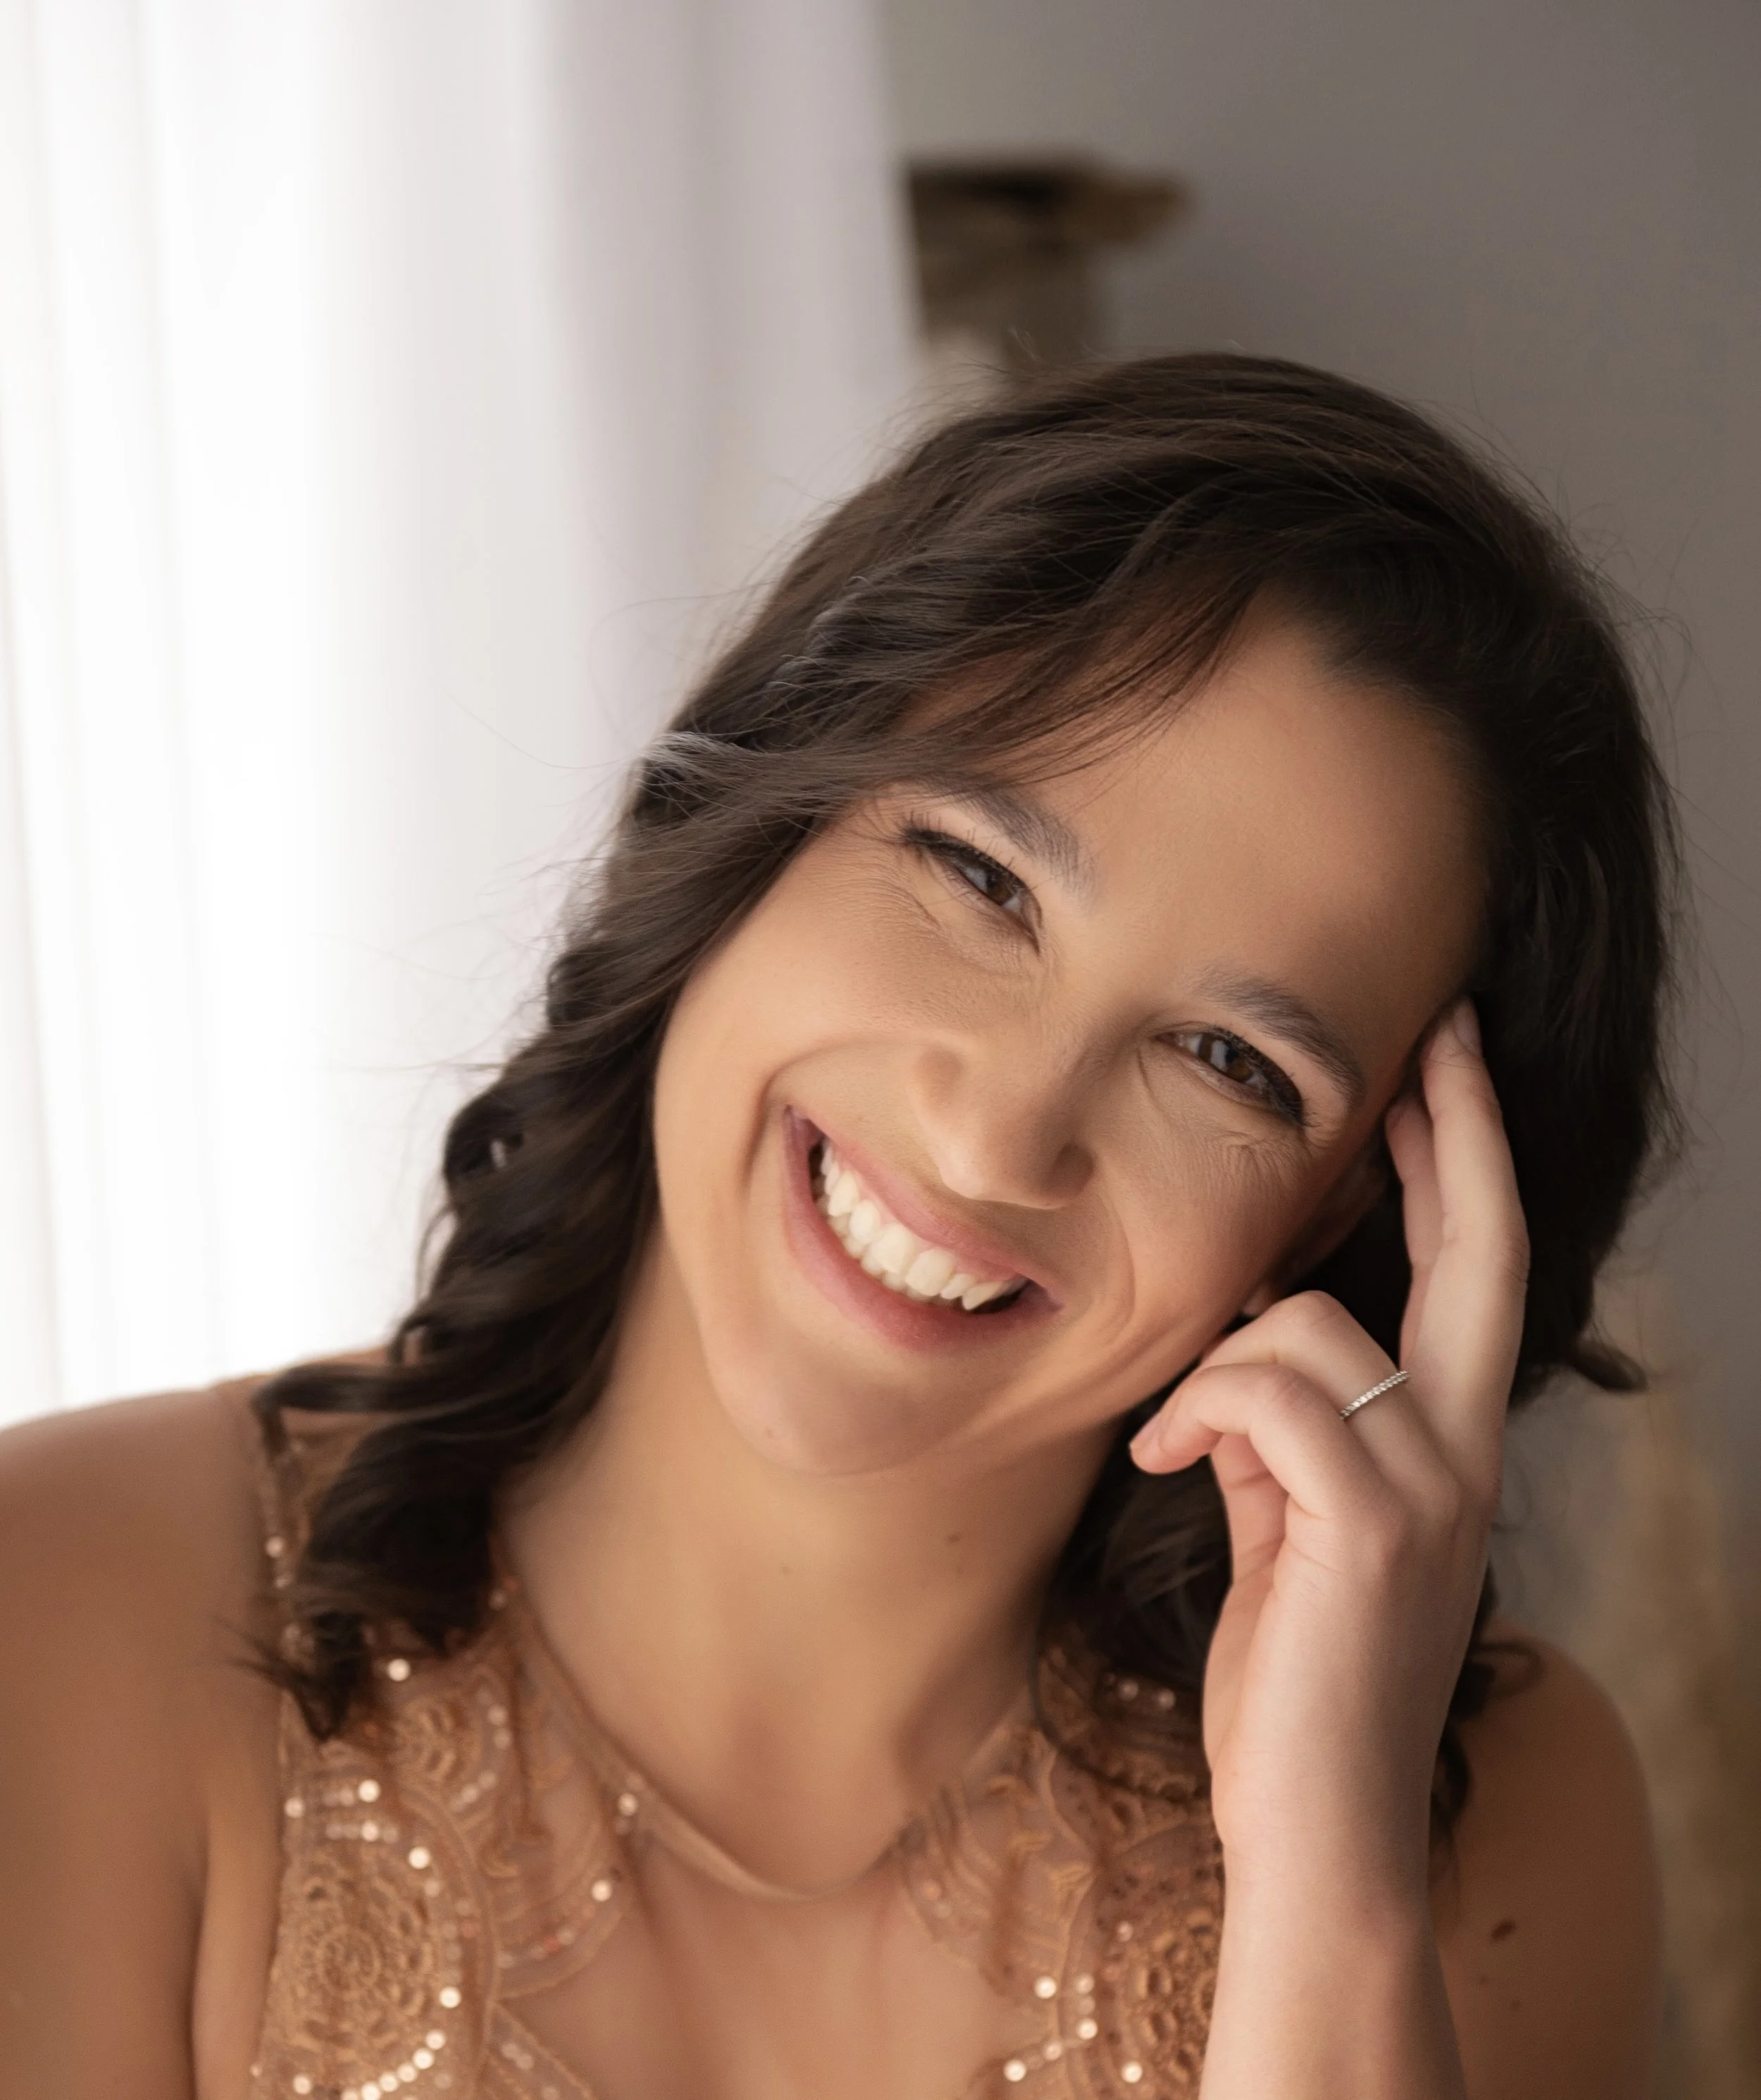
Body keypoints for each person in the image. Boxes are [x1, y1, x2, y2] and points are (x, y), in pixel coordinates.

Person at [0, 354, 1672, 2100]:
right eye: (977, 875)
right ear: (760, 813)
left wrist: (1328, 1887)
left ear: (1352, 1206)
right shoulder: (57, 1618)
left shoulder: (1489, 1824)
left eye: (1224, 1060)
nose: (996, 1129)